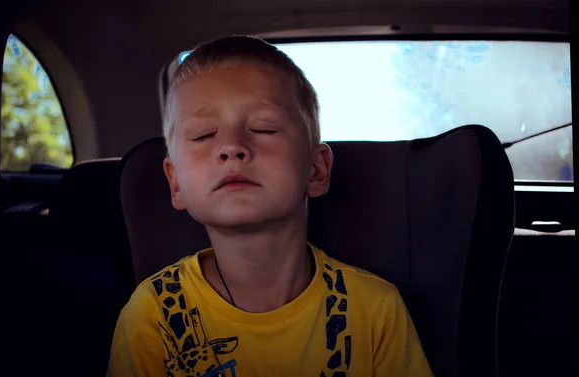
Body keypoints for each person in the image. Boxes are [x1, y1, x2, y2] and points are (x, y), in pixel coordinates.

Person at [107, 35, 434, 377]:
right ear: (176, 183)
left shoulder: (375, 310)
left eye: (264, 128)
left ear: (316, 169)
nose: (232, 147)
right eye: (204, 135)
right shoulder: (154, 314)